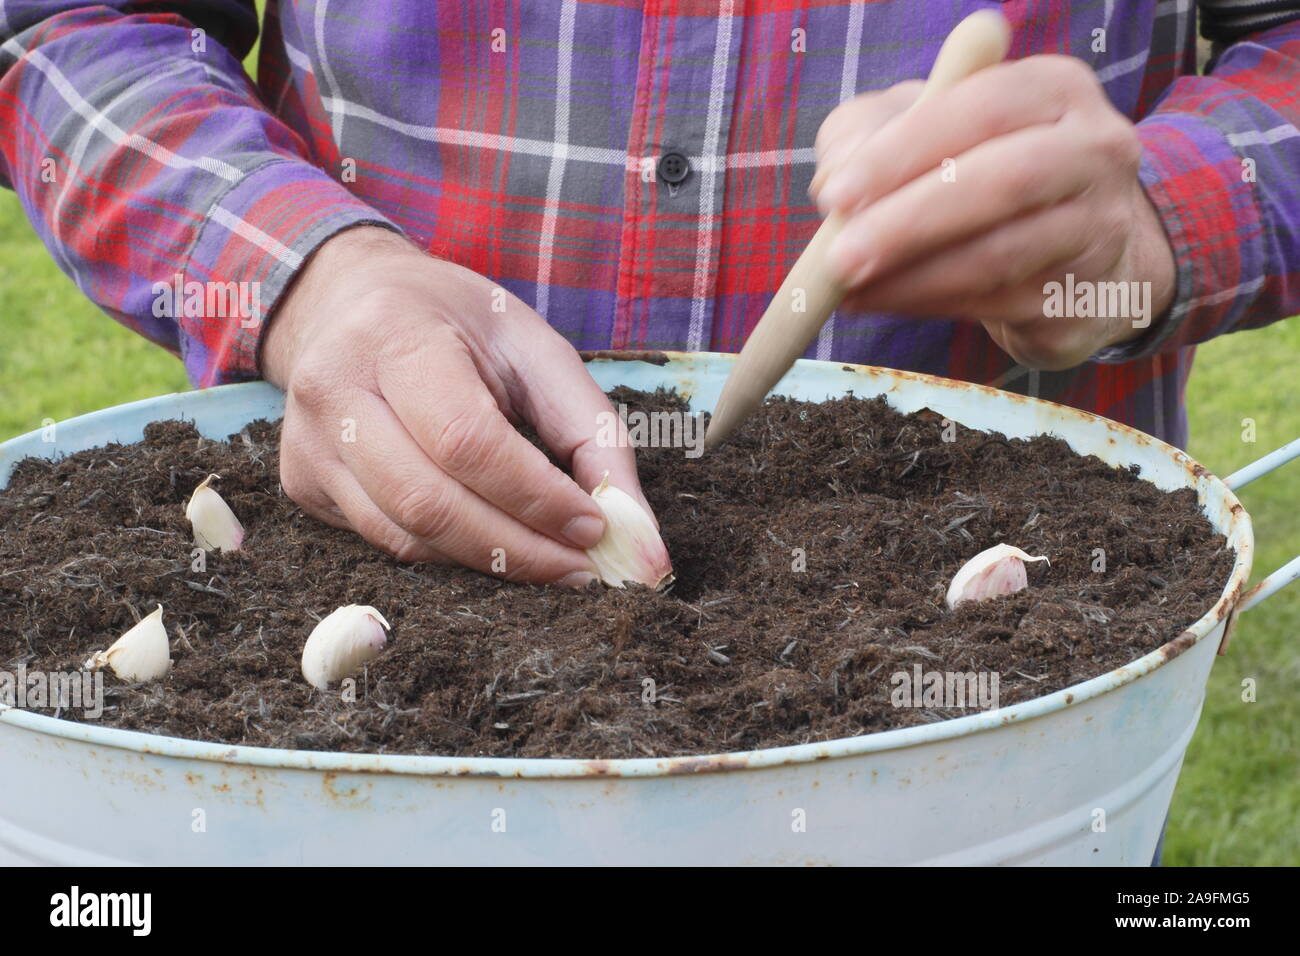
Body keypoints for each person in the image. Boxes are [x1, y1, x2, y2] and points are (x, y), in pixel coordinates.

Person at [1, 1, 1297, 587]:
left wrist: (1150, 218)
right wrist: (313, 271)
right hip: (365, 526)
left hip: (1004, 649)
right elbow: (67, 17)